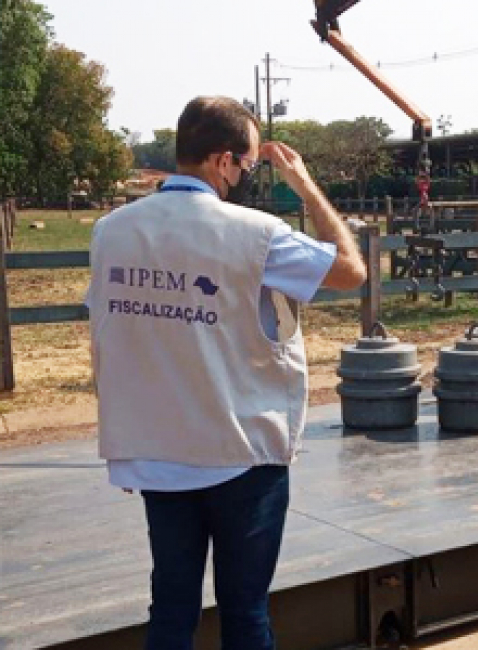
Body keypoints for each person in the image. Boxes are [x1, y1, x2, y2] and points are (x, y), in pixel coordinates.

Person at [86, 96, 366, 649]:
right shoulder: (255, 234)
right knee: (245, 614)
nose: (246, 177)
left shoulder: (111, 231)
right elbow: (350, 270)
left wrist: (129, 444)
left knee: (170, 609)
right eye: (250, 164)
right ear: (222, 161)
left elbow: (110, 335)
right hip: (243, 452)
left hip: (159, 454)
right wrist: (305, 186)